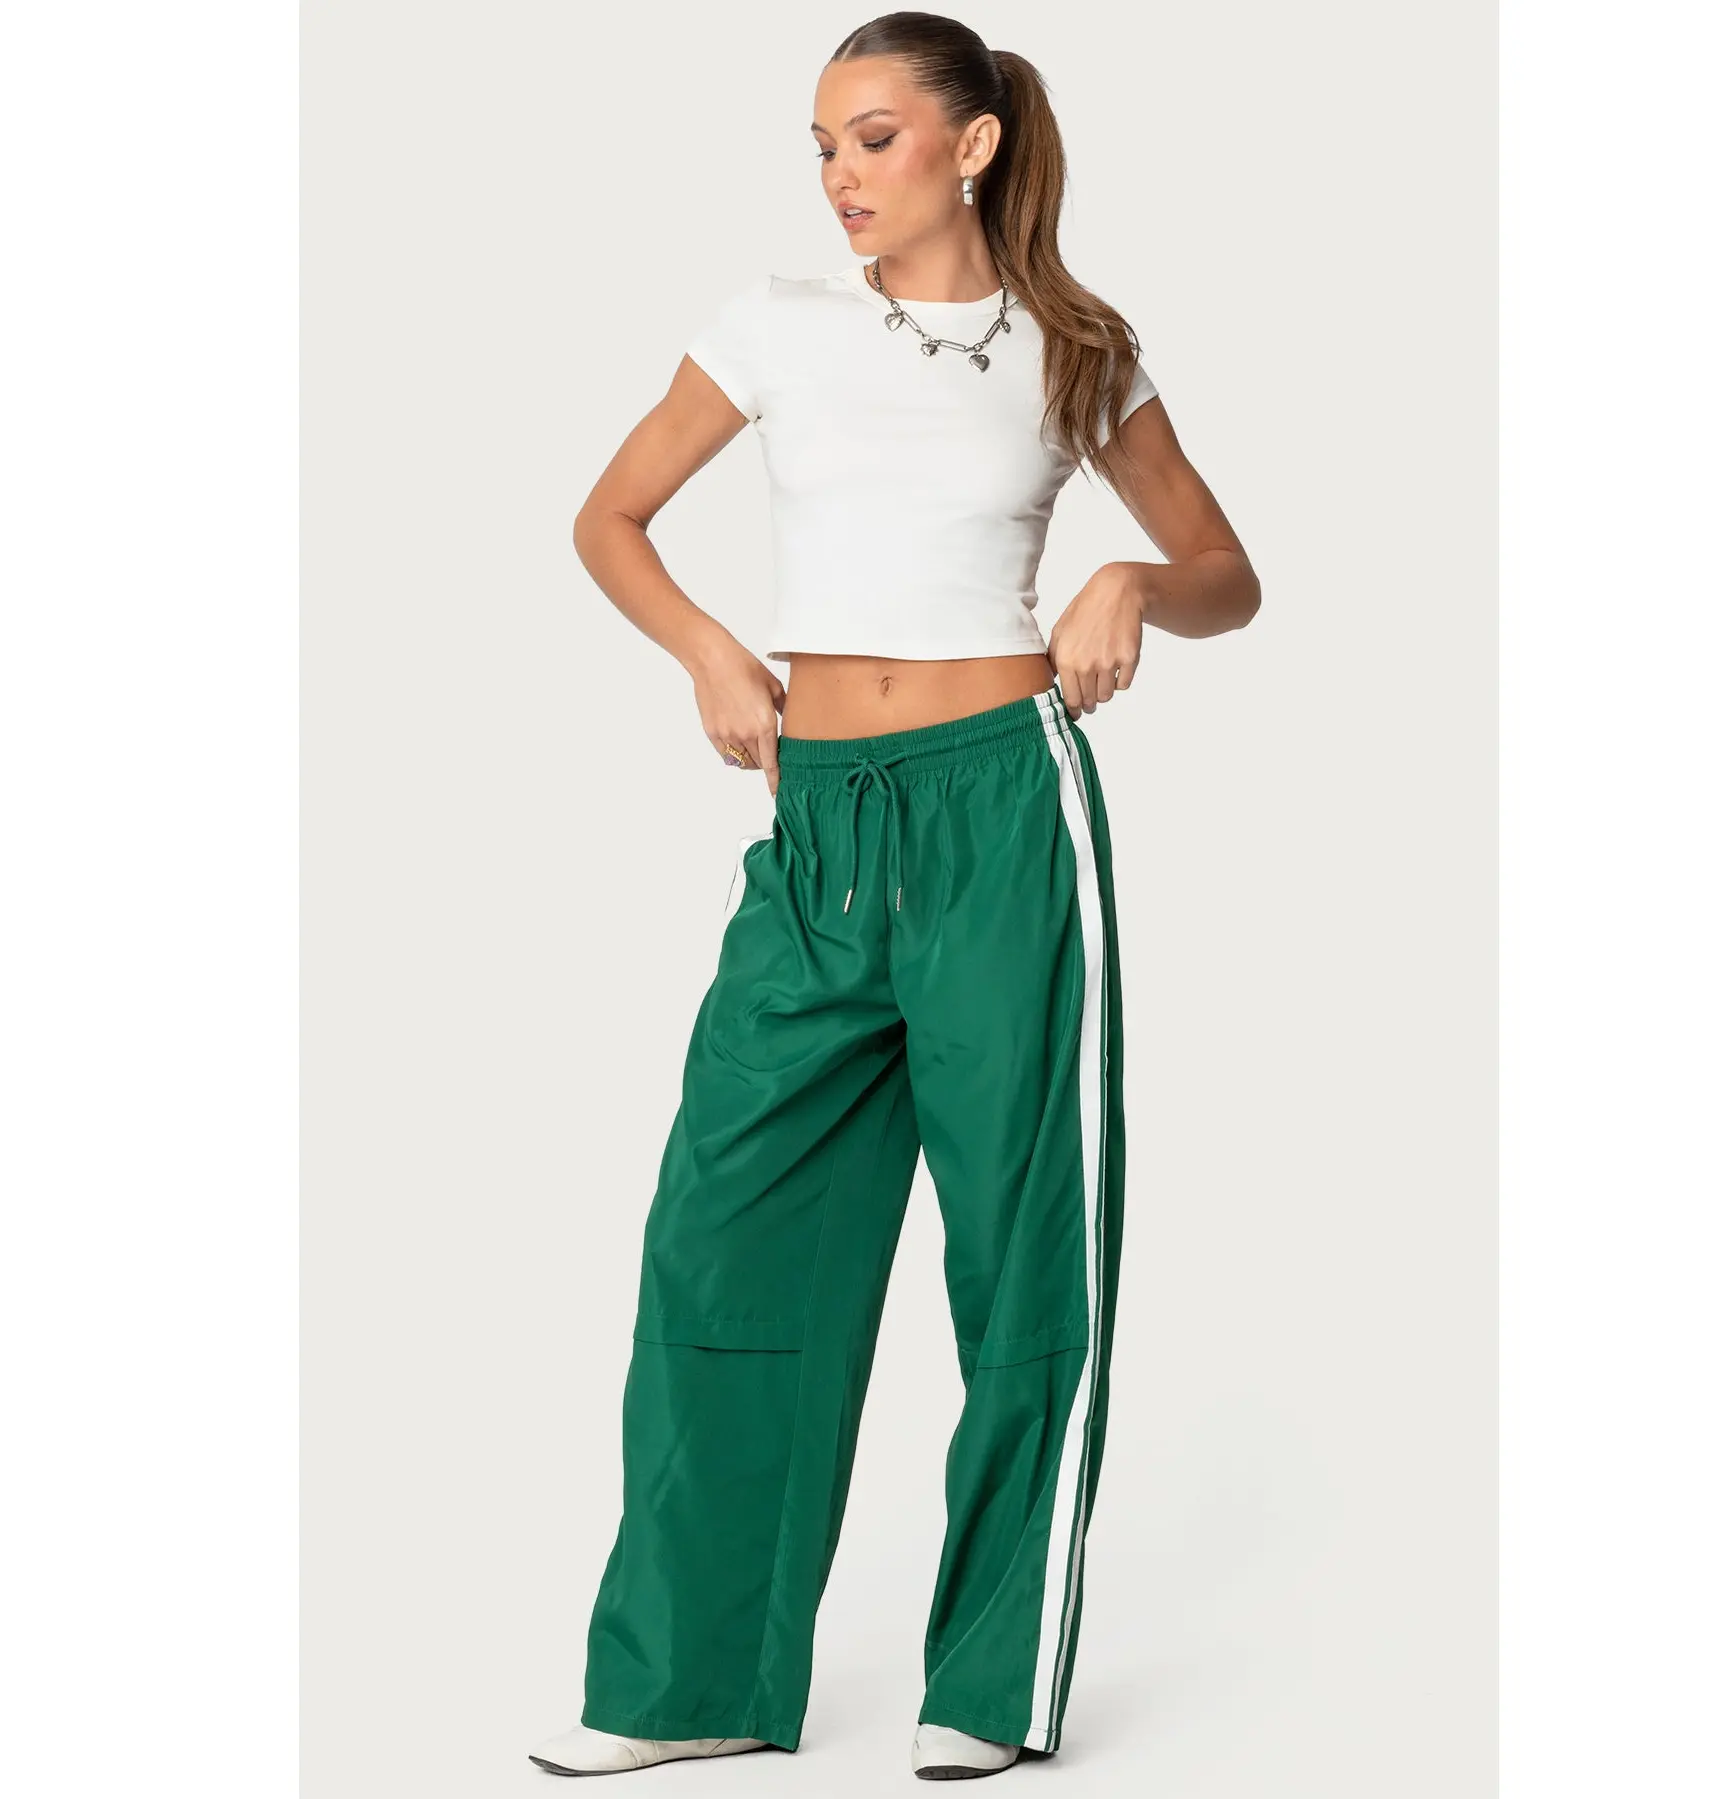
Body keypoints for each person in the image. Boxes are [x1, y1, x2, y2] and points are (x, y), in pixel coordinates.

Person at [529, 12, 1258, 1782]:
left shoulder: (1076, 352)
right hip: (817, 822)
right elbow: (610, 515)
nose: (841, 177)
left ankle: (987, 1686)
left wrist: (1127, 584)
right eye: (821, 148)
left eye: (872, 138)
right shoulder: (774, 324)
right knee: (721, 1232)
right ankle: (692, 1679)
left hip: (1005, 806)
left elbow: (1228, 572)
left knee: (1020, 1251)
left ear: (972, 144)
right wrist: (711, 650)